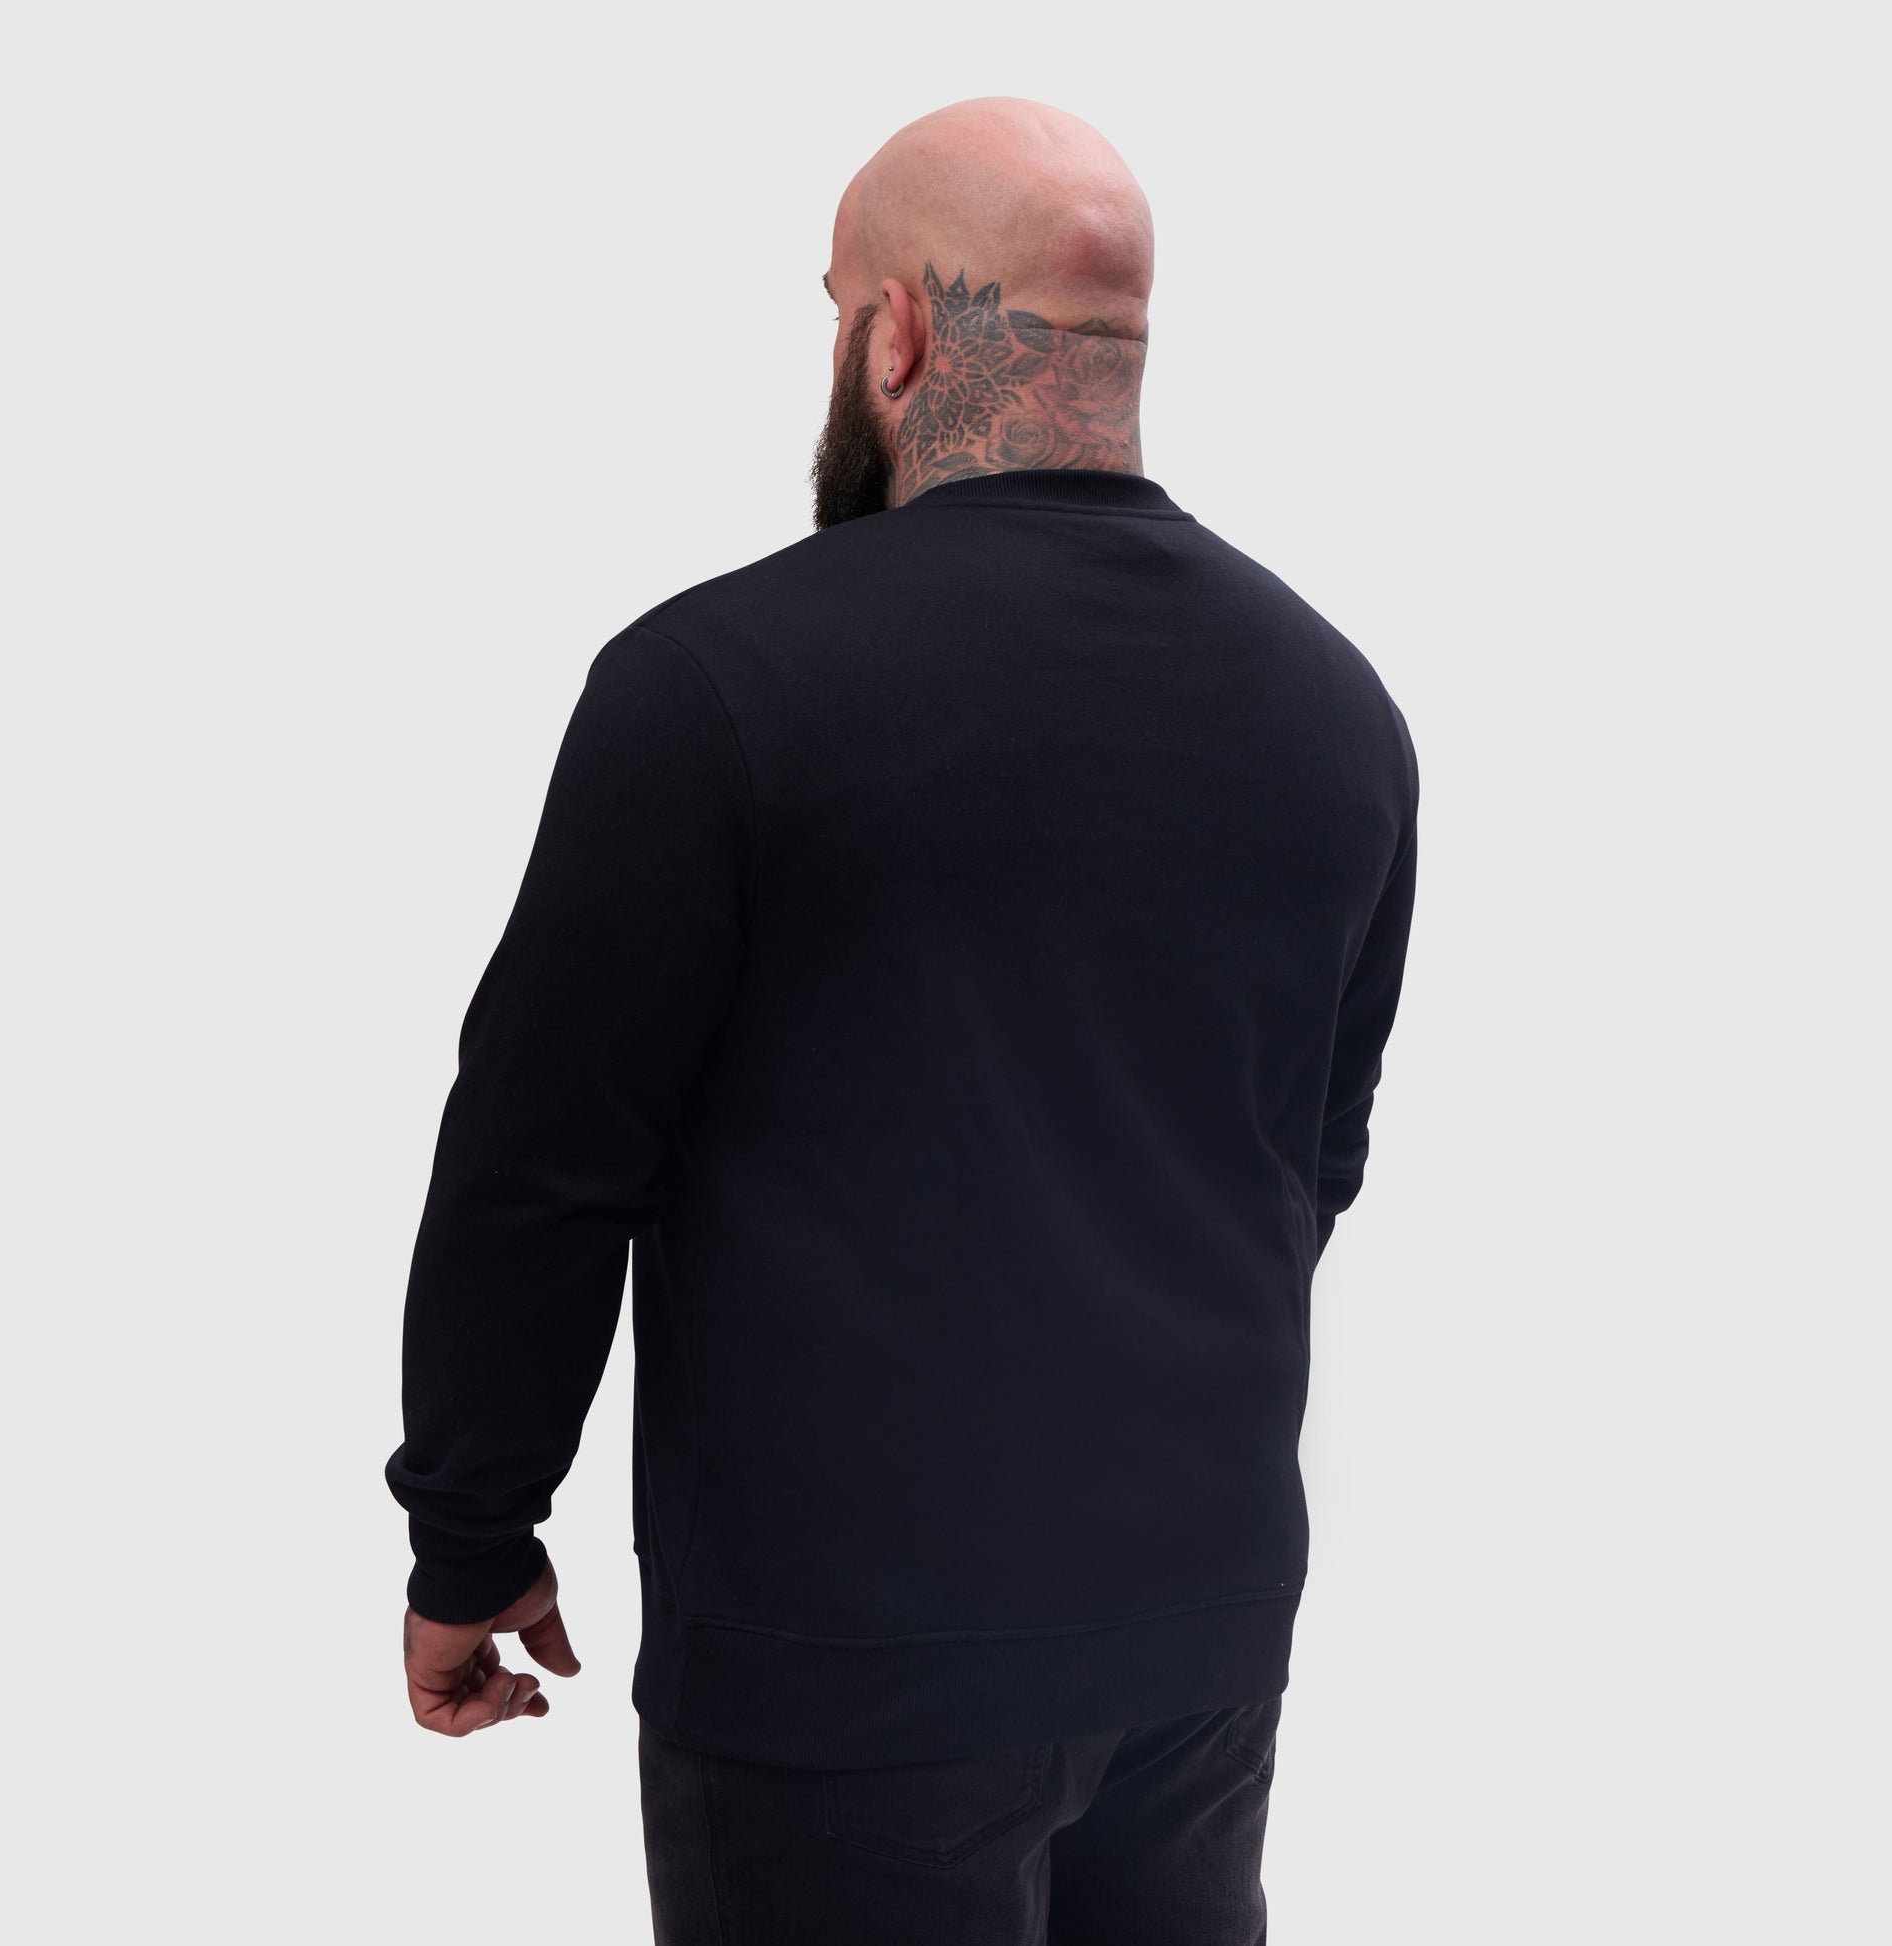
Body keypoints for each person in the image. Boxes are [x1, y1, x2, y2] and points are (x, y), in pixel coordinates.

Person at [386, 94, 1419, 1945]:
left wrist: (470, 1533)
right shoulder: (1333, 706)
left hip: (845, 1667)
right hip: (1196, 1640)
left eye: (835, 308)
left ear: (899, 334)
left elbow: (540, 1161)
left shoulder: (713, 684)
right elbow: (1303, 1166)